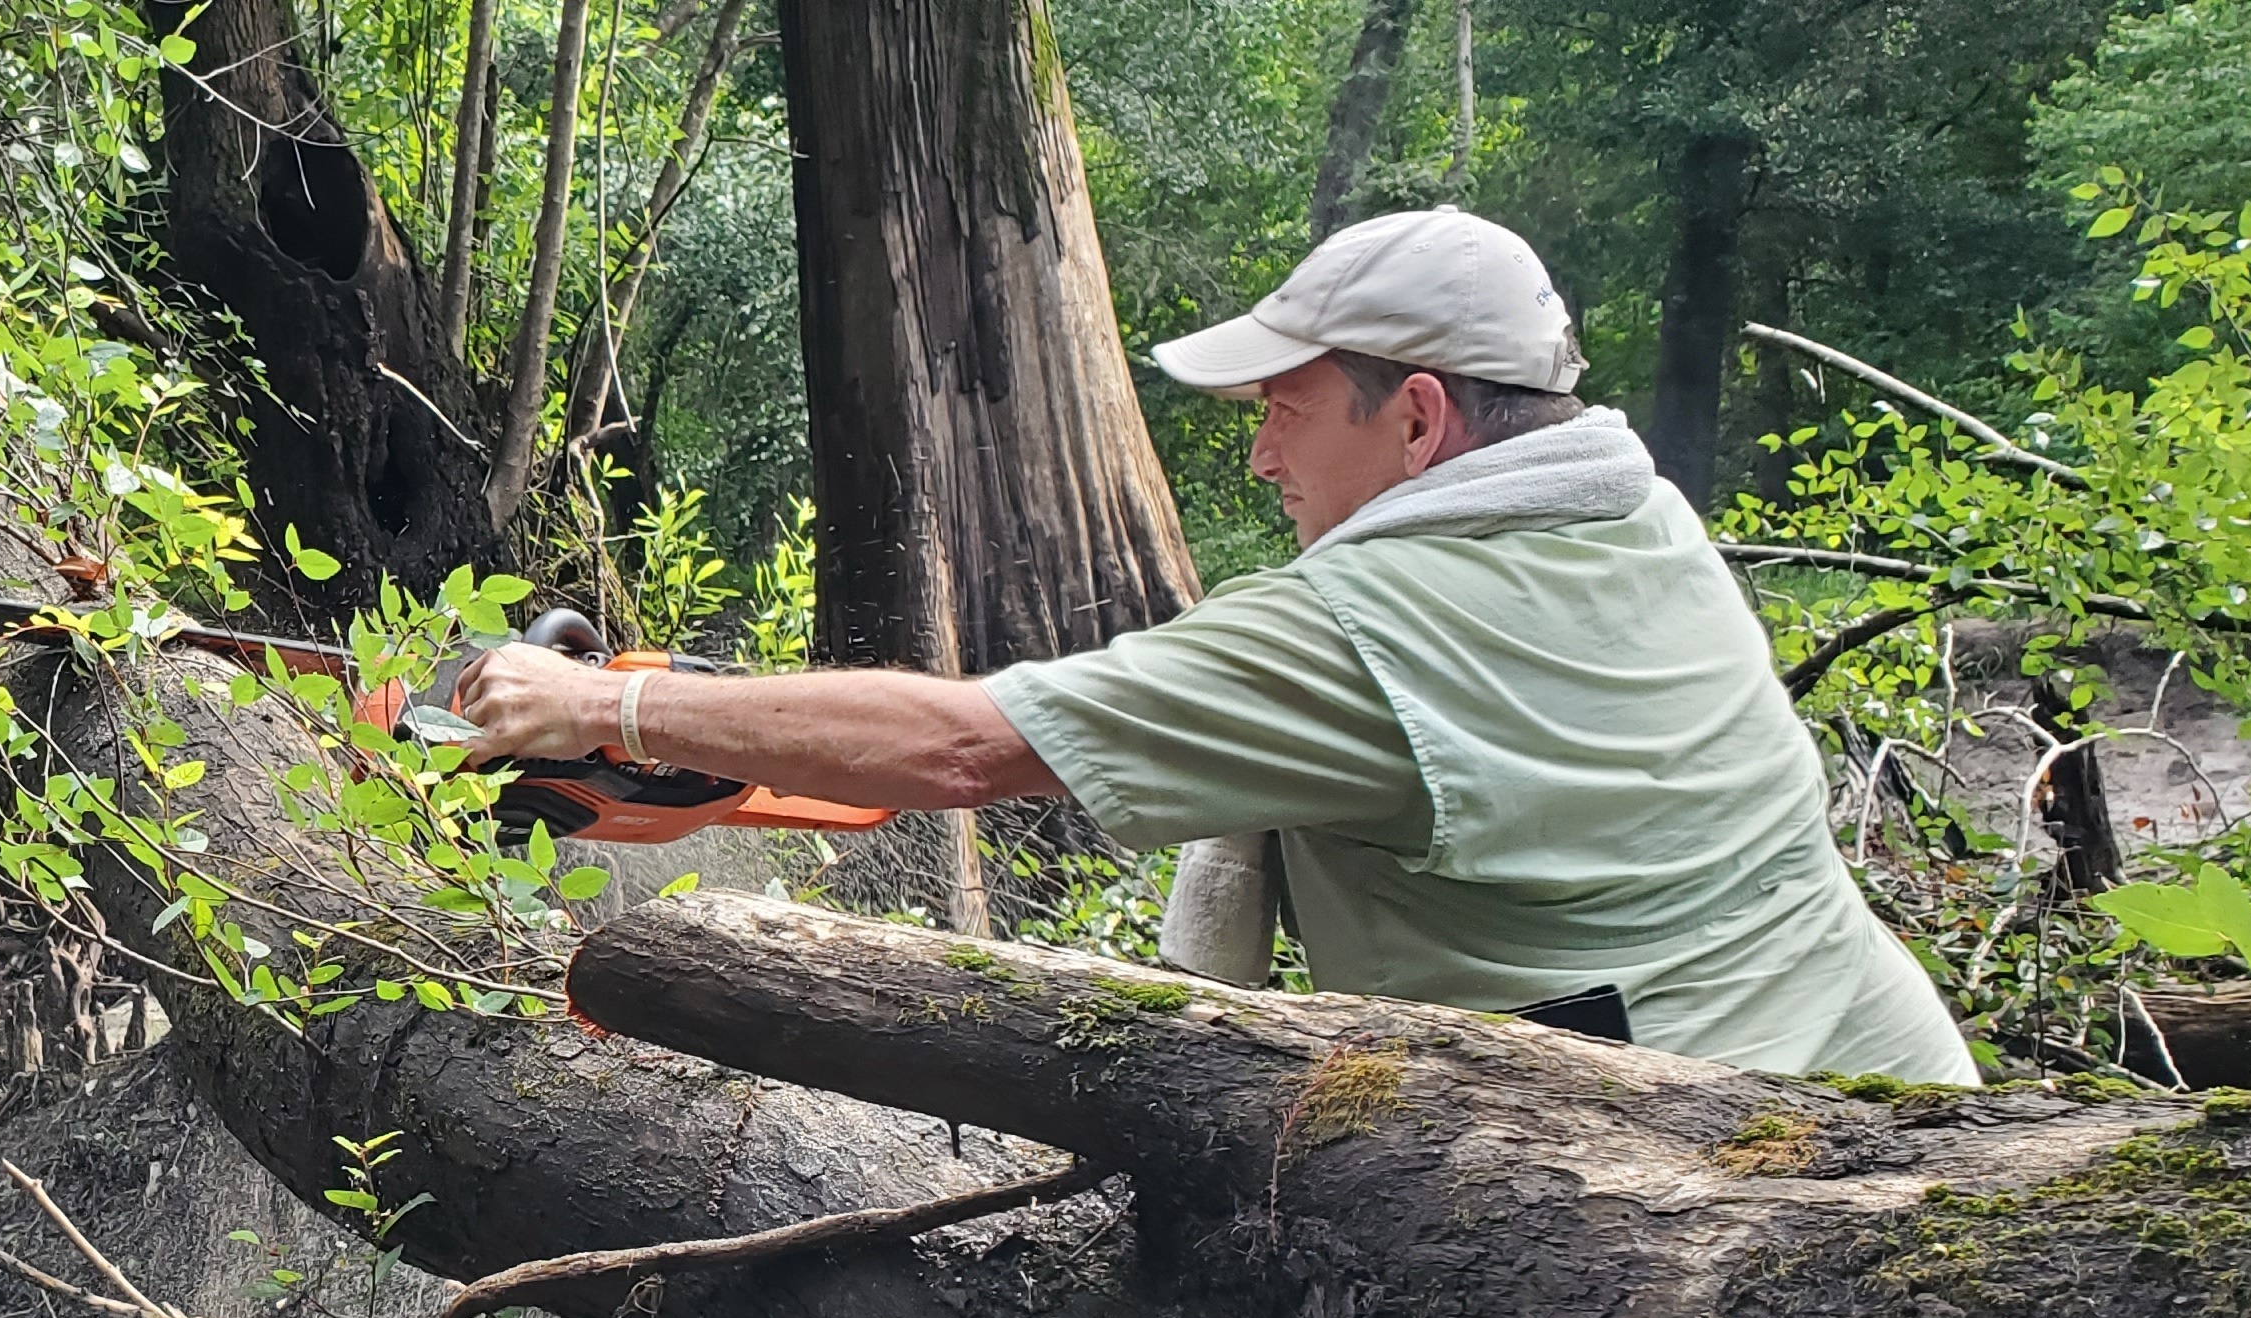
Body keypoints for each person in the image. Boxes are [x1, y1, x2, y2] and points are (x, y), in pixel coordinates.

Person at [459, 207, 1972, 1086]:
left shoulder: (1375, 628)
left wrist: (610, 699)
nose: (1258, 458)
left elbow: (965, 747)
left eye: (1282, 408)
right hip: (1884, 1080)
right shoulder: (1629, 516)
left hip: (1699, 1170)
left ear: (1421, 416)